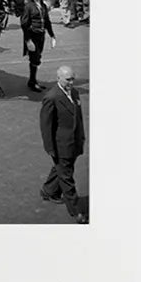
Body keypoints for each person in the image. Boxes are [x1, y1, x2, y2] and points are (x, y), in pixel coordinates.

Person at [39, 66, 88, 223]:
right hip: (61, 145)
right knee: (67, 177)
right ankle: (76, 211)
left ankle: (48, 191)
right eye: (68, 79)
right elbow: (46, 126)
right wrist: (50, 148)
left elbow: (78, 118)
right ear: (58, 78)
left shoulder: (74, 93)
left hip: (73, 142)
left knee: (61, 168)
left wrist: (82, 137)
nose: (71, 82)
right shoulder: (51, 98)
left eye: (73, 78)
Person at [20, 0, 55, 92]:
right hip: (32, 35)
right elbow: (24, 24)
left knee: (38, 56)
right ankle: (32, 82)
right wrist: (28, 40)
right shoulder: (29, 6)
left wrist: (52, 35)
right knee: (35, 58)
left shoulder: (43, 6)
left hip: (41, 35)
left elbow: (47, 21)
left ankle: (33, 81)